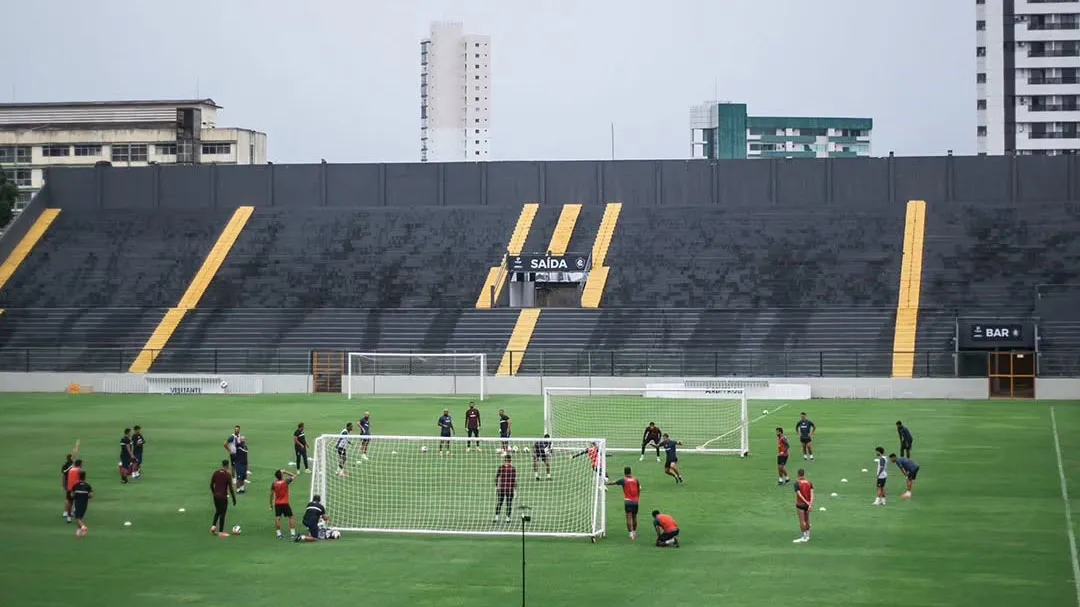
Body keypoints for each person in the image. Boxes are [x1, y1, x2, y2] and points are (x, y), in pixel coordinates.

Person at [607, 467, 641, 539]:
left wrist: (605, 483)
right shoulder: (636, 479)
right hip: (635, 501)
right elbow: (639, 489)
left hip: (628, 501)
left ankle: (631, 534)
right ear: (630, 472)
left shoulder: (623, 480)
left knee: (628, 517)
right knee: (634, 517)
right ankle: (634, 532)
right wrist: (638, 497)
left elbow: (613, 483)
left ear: (624, 472)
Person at [210, 459, 237, 537]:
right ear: (227, 465)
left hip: (216, 496)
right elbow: (231, 488)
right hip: (223, 497)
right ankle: (221, 532)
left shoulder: (216, 473)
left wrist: (214, 493)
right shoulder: (227, 475)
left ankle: (213, 526)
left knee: (218, 511)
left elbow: (211, 484)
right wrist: (234, 498)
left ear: (222, 465)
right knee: (223, 514)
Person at [270, 469, 298, 539]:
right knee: (291, 517)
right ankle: (293, 534)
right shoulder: (286, 481)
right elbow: (294, 475)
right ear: (282, 475)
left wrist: (271, 504)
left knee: (278, 518)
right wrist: (285, 472)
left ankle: (279, 534)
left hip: (277, 503)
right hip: (285, 503)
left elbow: (271, 495)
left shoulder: (274, 484)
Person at [793, 468, 814, 543]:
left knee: (802, 521)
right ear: (804, 474)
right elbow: (812, 494)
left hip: (800, 504)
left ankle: (804, 537)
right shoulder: (809, 482)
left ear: (798, 474)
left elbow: (799, 494)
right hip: (808, 504)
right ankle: (808, 536)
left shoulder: (797, 483)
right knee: (807, 520)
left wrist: (805, 501)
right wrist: (810, 504)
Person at [494, 455, 517, 523]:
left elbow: (514, 480)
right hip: (505, 489)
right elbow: (497, 478)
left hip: (506, 489)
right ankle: (503, 518)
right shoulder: (510, 468)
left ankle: (500, 518)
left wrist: (496, 487)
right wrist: (497, 487)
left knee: (505, 503)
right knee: (504, 503)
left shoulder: (505, 468)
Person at [71, 470, 93, 539]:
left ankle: (84, 527)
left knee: (77, 518)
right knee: (80, 518)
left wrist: (76, 496)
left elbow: (72, 495)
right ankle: (78, 535)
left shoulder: (75, 485)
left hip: (77, 503)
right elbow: (91, 495)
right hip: (84, 504)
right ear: (85, 477)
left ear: (78, 477)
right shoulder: (88, 486)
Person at [63, 455, 82, 523]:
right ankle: (76, 513)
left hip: (69, 488)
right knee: (78, 501)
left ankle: (68, 517)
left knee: (70, 502)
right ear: (80, 465)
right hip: (76, 488)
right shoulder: (79, 471)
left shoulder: (71, 470)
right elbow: (80, 480)